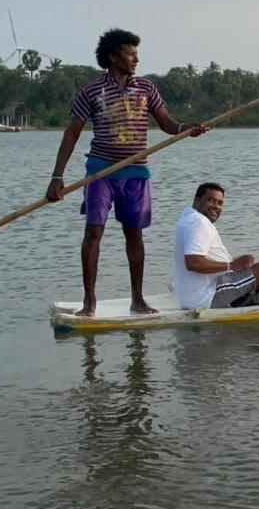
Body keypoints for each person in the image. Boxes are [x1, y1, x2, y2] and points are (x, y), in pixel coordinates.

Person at [45, 28, 208, 316]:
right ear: (113, 57)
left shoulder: (145, 88)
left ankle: (137, 300)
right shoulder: (92, 92)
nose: (136, 59)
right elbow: (71, 135)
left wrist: (186, 129)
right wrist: (57, 177)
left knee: (134, 235)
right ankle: (89, 302)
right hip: (100, 172)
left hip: (135, 173)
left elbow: (168, 124)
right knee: (94, 232)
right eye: (130, 53)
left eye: (136, 53)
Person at [172, 182, 259, 310]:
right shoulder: (199, 222)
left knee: (251, 265)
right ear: (197, 200)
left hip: (193, 295)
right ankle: (242, 298)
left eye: (220, 203)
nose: (216, 206)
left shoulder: (189, 217)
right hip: (207, 296)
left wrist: (235, 263)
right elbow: (193, 262)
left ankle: (244, 295)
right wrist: (231, 265)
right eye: (211, 200)